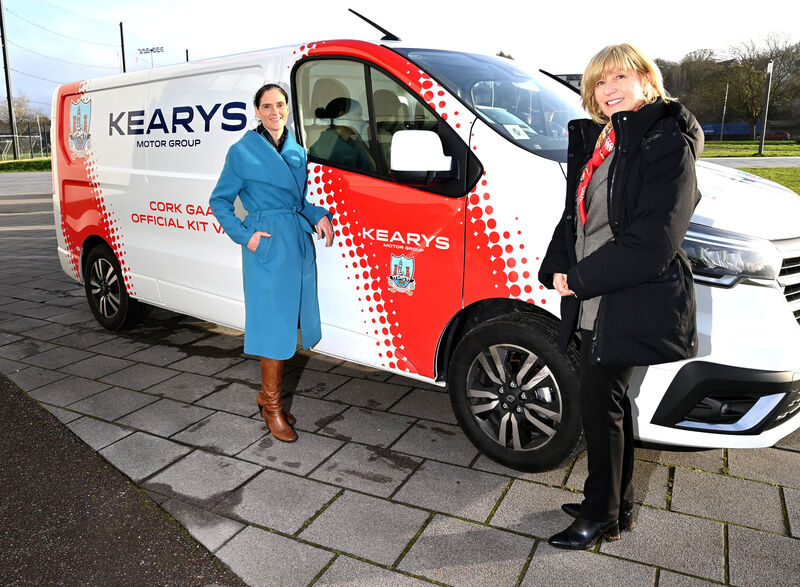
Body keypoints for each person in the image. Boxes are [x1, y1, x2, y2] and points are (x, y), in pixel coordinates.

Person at [538, 43, 702, 549]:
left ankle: (599, 513)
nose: (608, 89)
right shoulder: (607, 138)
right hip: (596, 293)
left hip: (627, 295)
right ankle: (615, 505)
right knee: (604, 404)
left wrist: (582, 279)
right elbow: (578, 215)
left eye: (619, 78)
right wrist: (559, 265)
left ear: (646, 80)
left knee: (600, 406)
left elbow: (655, 239)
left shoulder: (665, 141)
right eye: (598, 83)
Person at [209, 83, 334, 443]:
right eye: (267, 106)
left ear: (286, 108)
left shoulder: (296, 149)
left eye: (280, 105)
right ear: (257, 111)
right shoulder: (242, 151)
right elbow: (219, 201)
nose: (274, 111)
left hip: (294, 239)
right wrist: (245, 234)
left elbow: (296, 200)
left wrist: (318, 215)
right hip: (265, 246)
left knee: (290, 324)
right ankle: (273, 407)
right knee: (272, 328)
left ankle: (266, 396)